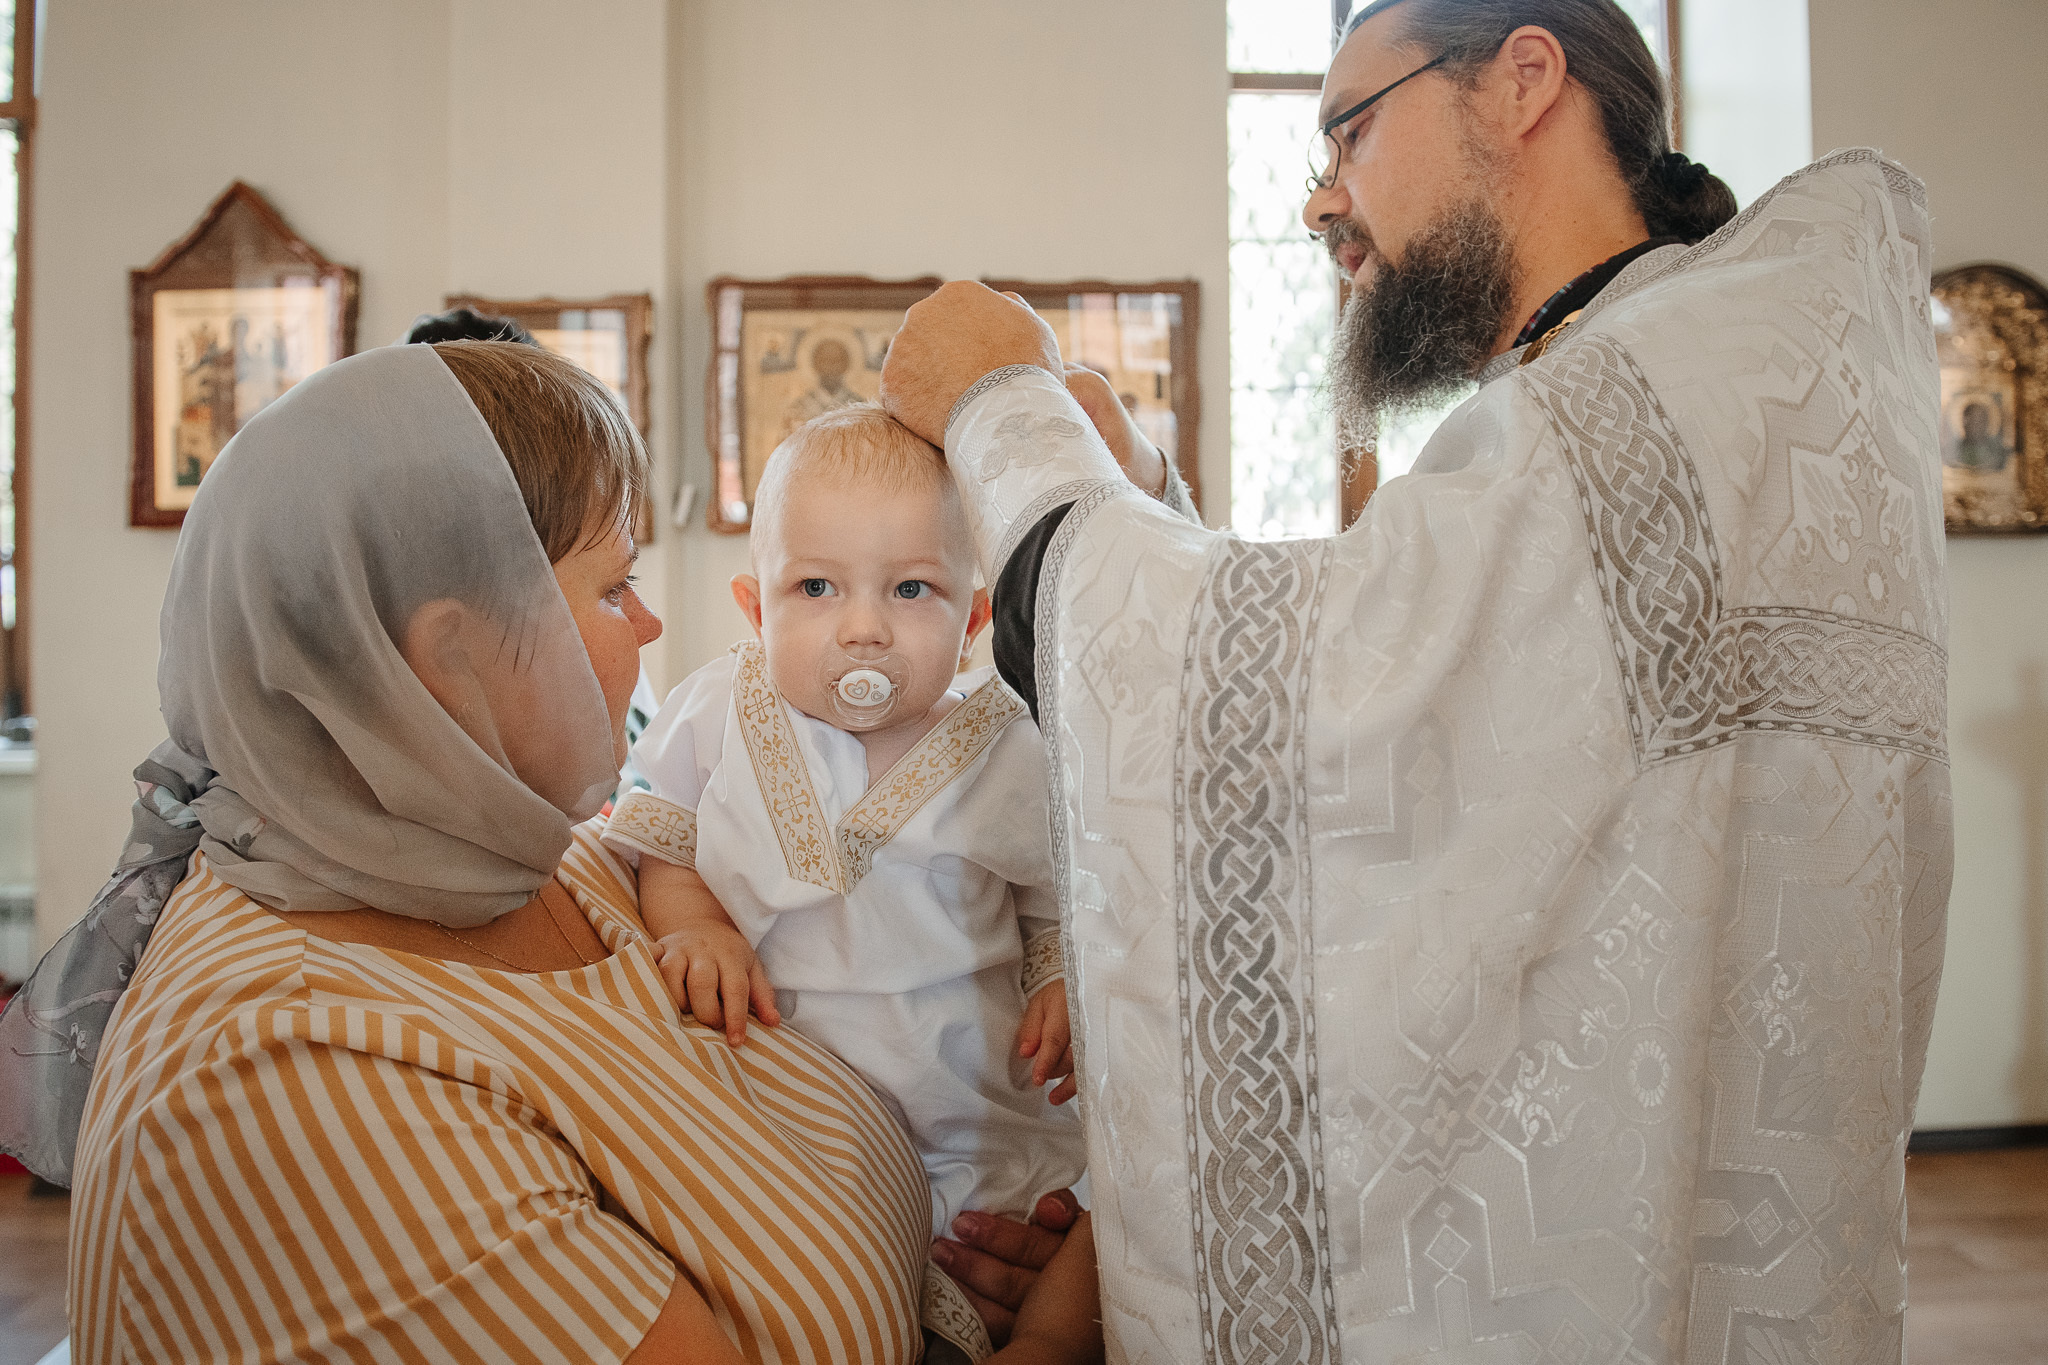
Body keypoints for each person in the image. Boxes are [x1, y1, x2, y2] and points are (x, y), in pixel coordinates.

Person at [879, 1, 1950, 1361]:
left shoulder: (1642, 397)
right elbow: (1390, 714)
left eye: (1351, 128)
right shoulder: (1682, 373)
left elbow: (1306, 717)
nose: (1328, 199)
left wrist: (1001, 406)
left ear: (1522, 80)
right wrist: (1149, 495)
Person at [0, 342, 1101, 1364]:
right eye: (614, 586)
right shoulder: (300, 1080)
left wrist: (950, 1269)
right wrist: (1062, 1328)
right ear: (452, 657)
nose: (653, 628)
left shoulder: (514, 851)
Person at [602, 403, 1085, 1240]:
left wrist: (1054, 978)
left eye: (911, 589)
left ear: (971, 622)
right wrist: (699, 924)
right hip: (786, 1102)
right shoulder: (720, 710)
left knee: (1007, 1241)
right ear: (758, 609)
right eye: (816, 588)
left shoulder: (1009, 740)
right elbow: (663, 839)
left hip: (969, 1111)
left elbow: (1049, 896)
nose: (864, 628)